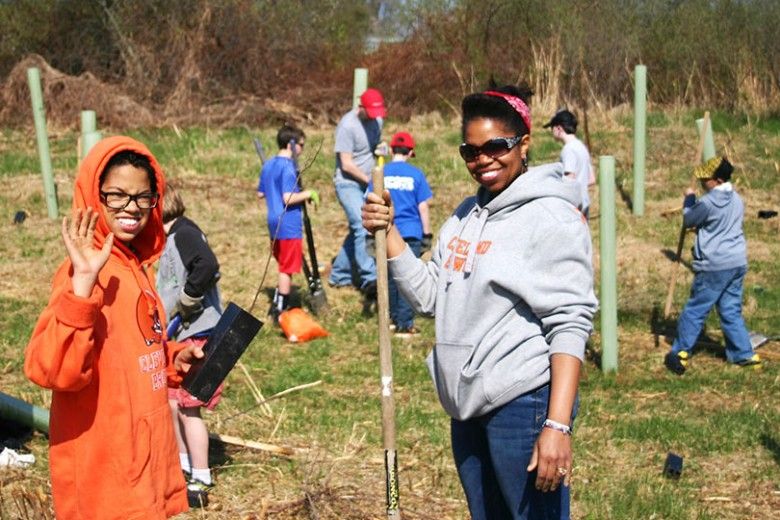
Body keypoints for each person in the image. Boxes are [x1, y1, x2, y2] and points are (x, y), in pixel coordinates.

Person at [363, 85, 597, 519]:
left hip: (523, 404)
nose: (483, 160)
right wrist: (389, 231)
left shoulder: (550, 217)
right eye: (470, 152)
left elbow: (570, 323)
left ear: (524, 143)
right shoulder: (465, 215)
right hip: (466, 407)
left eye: (496, 146)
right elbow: (432, 296)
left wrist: (557, 425)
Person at [24, 136, 203, 518]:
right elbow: (53, 370)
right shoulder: (81, 276)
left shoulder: (135, 268)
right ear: (94, 196)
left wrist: (174, 359)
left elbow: (133, 348)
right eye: (117, 195)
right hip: (105, 479)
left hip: (143, 465)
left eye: (143, 197)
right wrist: (83, 286)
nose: (132, 208)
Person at [157, 183, 224, 507]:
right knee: (172, 403)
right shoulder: (170, 239)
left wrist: (188, 299)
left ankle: (201, 474)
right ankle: (181, 466)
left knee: (188, 407)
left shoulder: (184, 233)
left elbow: (207, 265)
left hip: (203, 334)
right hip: (179, 338)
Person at [664, 156, 761, 374]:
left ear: (717, 180)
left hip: (715, 265)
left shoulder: (708, 202)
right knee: (730, 310)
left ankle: (680, 352)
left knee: (696, 309)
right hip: (736, 261)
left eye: (705, 179)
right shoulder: (737, 199)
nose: (701, 182)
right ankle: (744, 355)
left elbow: (689, 219)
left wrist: (689, 199)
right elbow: (718, 225)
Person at [368, 131, 433, 336]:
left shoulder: (381, 172)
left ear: (392, 151)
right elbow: (423, 207)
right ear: (410, 152)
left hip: (386, 232)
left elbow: (370, 200)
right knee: (408, 278)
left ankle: (393, 319)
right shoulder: (416, 174)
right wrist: (427, 234)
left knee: (391, 279)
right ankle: (405, 325)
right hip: (412, 233)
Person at [328, 87, 387, 298]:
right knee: (362, 226)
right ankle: (370, 279)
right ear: (360, 106)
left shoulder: (377, 121)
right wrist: (369, 179)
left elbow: (374, 146)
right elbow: (346, 164)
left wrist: (381, 148)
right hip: (348, 183)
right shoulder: (347, 126)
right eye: (370, 112)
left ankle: (339, 275)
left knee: (358, 229)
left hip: (367, 181)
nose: (374, 118)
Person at [257, 124, 319, 322]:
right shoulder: (288, 167)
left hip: (272, 223)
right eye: (301, 145)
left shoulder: (268, 165)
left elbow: (261, 193)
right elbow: (287, 198)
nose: (301, 149)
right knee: (287, 268)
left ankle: (279, 300)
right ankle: (279, 308)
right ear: (292, 144)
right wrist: (308, 193)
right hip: (289, 224)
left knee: (283, 262)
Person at [544, 109, 595, 218]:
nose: (552, 132)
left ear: (559, 128)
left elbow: (569, 179)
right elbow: (591, 179)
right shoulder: (581, 147)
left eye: (552, 128)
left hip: (574, 205)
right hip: (584, 202)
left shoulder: (568, 150)